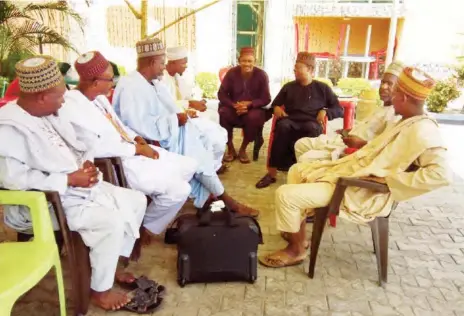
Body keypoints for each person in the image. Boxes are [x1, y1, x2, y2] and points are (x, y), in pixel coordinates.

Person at [259, 67, 451, 268]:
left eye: (394, 93)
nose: (390, 97)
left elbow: (441, 175)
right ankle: (300, 238)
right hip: (352, 173)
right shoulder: (407, 120)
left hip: (360, 189)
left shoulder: (424, 131)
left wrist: (388, 181)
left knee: (285, 195)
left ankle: (296, 251)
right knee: (296, 170)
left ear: (403, 97)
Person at [0, 56, 151, 310]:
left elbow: (72, 146)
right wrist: (69, 179)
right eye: (59, 96)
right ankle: (99, 291)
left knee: (137, 200)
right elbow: (13, 179)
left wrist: (85, 164)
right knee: (110, 222)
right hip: (42, 205)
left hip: (74, 191)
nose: (63, 101)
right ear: (40, 97)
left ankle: (109, 264)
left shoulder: (48, 111)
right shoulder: (9, 126)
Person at [61, 51, 197, 247]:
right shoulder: (72, 105)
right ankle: (146, 228)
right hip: (119, 162)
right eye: (109, 79)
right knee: (180, 189)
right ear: (94, 82)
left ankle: (145, 215)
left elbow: (118, 125)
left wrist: (136, 138)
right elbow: (94, 147)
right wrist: (137, 151)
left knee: (189, 165)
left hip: (132, 148)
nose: (113, 83)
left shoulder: (98, 98)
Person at [113, 38, 258, 217]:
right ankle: (224, 199)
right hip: (151, 141)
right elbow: (137, 124)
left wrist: (179, 118)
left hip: (170, 132)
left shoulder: (153, 82)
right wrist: (174, 120)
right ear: (151, 62)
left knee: (203, 140)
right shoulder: (131, 86)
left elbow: (170, 107)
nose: (163, 67)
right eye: (161, 63)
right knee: (196, 152)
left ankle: (212, 196)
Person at [255, 52, 344, 189]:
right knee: (282, 127)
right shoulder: (289, 87)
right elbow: (275, 104)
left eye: (298, 68)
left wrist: (326, 111)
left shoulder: (323, 88)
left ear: (310, 69)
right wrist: (277, 108)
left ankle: (309, 174)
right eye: (295, 68)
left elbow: (338, 109)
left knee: (312, 129)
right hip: (290, 120)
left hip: (311, 122)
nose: (294, 70)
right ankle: (271, 174)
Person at [295, 61, 405, 163]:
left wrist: (360, 144)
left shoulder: (396, 115)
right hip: (342, 140)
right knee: (300, 144)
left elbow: (384, 147)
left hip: (354, 151)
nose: (383, 87)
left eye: (389, 84)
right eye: (382, 82)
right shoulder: (381, 108)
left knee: (306, 158)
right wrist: (347, 131)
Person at [218, 47, 272, 164]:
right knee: (223, 112)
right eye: (244, 61)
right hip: (234, 108)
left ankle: (243, 149)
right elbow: (221, 93)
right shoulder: (232, 73)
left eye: (250, 61)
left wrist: (250, 104)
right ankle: (231, 148)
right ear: (239, 61)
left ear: (254, 62)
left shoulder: (262, 75)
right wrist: (233, 105)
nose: (246, 64)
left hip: (252, 109)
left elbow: (266, 98)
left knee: (253, 117)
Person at [161, 46, 220, 124]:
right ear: (172, 63)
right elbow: (169, 103)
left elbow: (186, 96)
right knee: (211, 116)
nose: (186, 66)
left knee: (215, 109)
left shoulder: (177, 76)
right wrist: (190, 104)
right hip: (177, 116)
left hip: (186, 108)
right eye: (183, 63)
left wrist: (197, 102)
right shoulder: (163, 79)